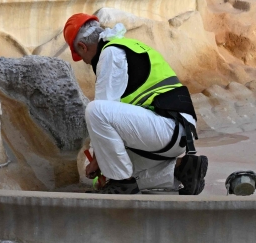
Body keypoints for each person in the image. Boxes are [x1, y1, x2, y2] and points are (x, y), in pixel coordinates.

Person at [64, 12, 208, 195]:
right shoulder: (128, 45)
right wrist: (106, 163)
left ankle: (122, 182)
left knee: (95, 111)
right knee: (117, 170)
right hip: (176, 130)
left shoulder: (110, 53)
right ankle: (182, 170)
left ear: (82, 47)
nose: (85, 62)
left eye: (81, 57)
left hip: (166, 126)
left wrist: (97, 160)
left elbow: (104, 106)